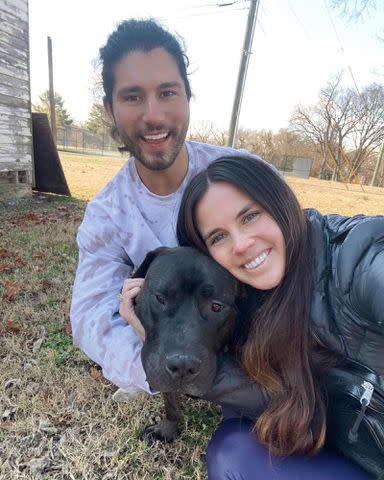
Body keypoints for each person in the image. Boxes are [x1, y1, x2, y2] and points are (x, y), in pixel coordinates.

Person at [70, 19, 256, 395]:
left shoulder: (244, 175)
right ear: (110, 109)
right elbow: (90, 319)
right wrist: (153, 364)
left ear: (188, 97)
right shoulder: (107, 213)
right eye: (133, 96)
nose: (153, 115)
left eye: (168, 92)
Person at [172, 154, 383, 479]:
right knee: (235, 440)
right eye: (218, 237)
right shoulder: (250, 299)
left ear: (280, 203)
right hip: (352, 449)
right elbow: (269, 393)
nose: (241, 244)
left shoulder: (355, 260)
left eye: (250, 216)